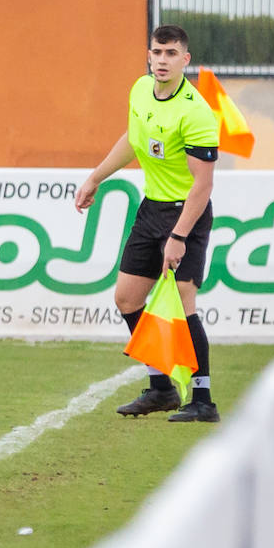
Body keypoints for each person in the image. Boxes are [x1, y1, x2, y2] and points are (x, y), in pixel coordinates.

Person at [75, 24, 220, 423]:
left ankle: (203, 400)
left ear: (185, 60)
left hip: (185, 214)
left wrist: (178, 236)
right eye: (157, 52)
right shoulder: (140, 90)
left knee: (183, 302)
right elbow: (133, 139)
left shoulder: (195, 112)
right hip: (151, 210)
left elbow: (203, 186)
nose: (161, 60)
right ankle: (161, 390)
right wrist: (95, 177)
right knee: (126, 299)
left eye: (171, 54)